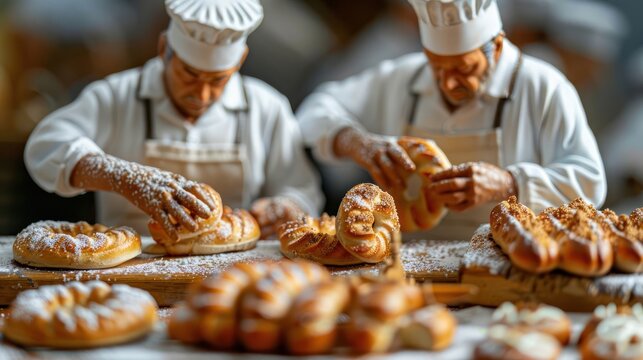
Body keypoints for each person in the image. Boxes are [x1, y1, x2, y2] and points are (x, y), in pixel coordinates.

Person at [297, 0, 606, 240]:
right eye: (438, 68)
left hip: (507, 262)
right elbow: (314, 109)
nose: (447, 83)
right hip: (407, 260)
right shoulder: (404, 77)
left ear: (496, 46)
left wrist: (509, 182)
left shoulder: (542, 87)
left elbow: (590, 182)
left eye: (464, 69)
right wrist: (357, 142)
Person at [24, 0, 323, 240]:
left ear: (240, 60)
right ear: (164, 49)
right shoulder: (116, 96)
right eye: (189, 75)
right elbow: (45, 146)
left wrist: (287, 207)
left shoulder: (266, 108)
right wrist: (124, 177)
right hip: (128, 270)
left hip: (233, 270)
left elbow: (303, 188)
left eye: (218, 80)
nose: (203, 95)